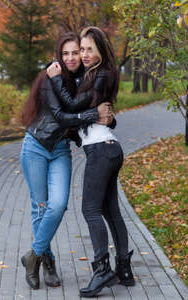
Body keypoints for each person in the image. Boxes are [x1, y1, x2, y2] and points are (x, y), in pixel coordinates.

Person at [20, 32, 114, 290]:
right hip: (36, 147)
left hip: (60, 149)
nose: (72, 57)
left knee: (58, 205)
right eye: (67, 53)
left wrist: (106, 118)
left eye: (77, 52)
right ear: (58, 56)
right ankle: (47, 262)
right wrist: (94, 114)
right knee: (40, 207)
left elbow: (86, 108)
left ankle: (32, 256)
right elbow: (63, 116)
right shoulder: (50, 77)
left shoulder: (83, 80)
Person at [46, 26, 135, 297]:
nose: (83, 54)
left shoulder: (100, 74)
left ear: (99, 50)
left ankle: (102, 270)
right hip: (107, 148)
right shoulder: (96, 74)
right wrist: (100, 115)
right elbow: (89, 111)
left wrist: (57, 79)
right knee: (110, 211)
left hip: (101, 151)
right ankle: (124, 269)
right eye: (80, 49)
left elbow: (73, 105)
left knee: (90, 211)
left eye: (88, 49)